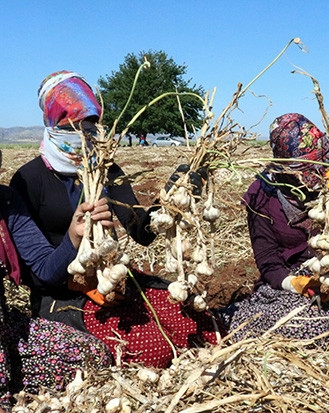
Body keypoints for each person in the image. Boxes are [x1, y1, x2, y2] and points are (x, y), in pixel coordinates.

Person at [10, 70, 223, 369]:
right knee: (151, 350)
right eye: (73, 126)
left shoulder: (107, 169)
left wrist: (170, 202)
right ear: (53, 125)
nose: (85, 136)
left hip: (114, 279)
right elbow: (38, 274)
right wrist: (76, 251)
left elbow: (141, 230)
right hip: (61, 293)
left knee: (195, 322)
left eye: (90, 125)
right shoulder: (28, 179)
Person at [221, 113, 329, 342]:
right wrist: (297, 284)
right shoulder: (261, 196)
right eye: (307, 168)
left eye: (320, 163)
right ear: (285, 167)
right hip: (292, 289)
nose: (317, 173)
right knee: (308, 323)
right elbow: (268, 262)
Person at [0, 172, 113, 409]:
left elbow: (44, 268)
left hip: (5, 327)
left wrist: (74, 234)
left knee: (94, 354)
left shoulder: (5, 201)